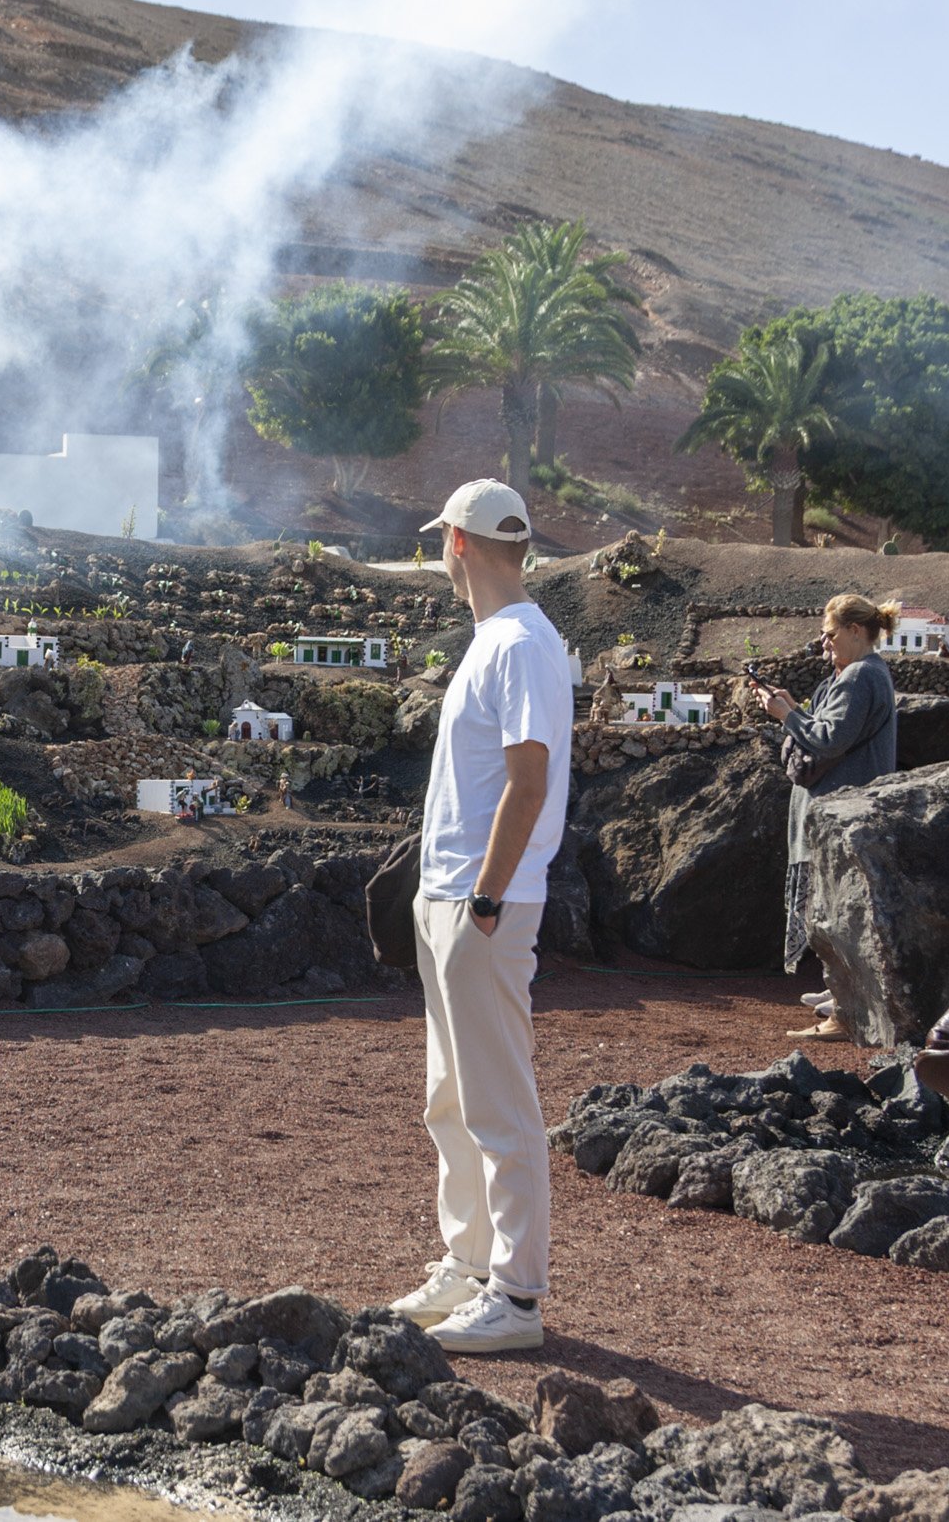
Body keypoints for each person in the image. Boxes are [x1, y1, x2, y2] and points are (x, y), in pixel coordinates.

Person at [387, 479, 572, 1353]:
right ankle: (469, 1264)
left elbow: (528, 782)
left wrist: (487, 898)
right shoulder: (500, 640)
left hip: (481, 902)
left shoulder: (521, 643)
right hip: (456, 898)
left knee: (497, 1100)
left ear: (458, 542)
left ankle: (517, 1293)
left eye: (442, 544)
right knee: (452, 1096)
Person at [759, 593, 900, 1037]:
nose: (824, 643)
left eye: (831, 634)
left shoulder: (860, 677)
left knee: (836, 910)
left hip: (839, 812)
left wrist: (788, 715)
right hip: (841, 810)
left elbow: (830, 737)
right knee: (832, 907)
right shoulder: (864, 673)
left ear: (856, 631)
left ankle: (845, 1008)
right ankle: (840, 991)